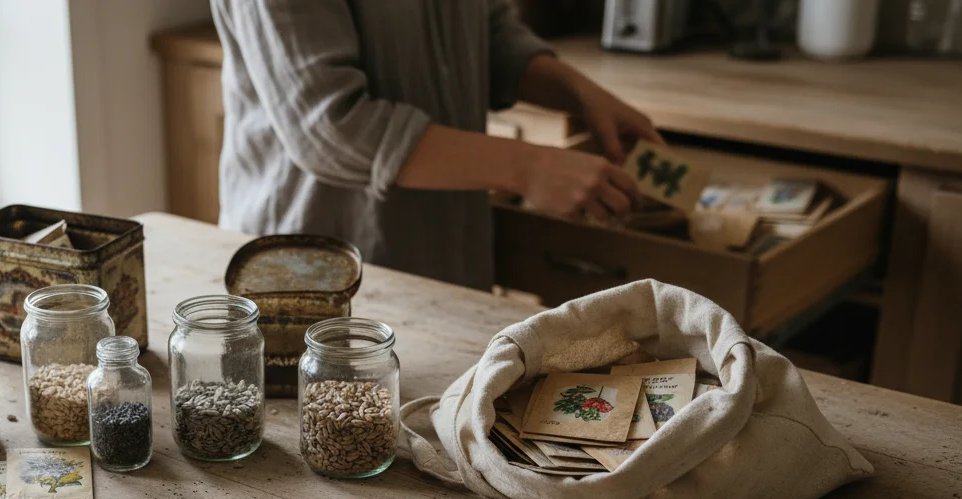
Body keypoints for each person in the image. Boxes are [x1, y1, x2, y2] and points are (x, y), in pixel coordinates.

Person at [212, 0, 665, 290]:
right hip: (314, 274)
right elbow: (334, 128)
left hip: (446, 257)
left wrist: (579, 93)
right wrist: (527, 168)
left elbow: (486, 33)